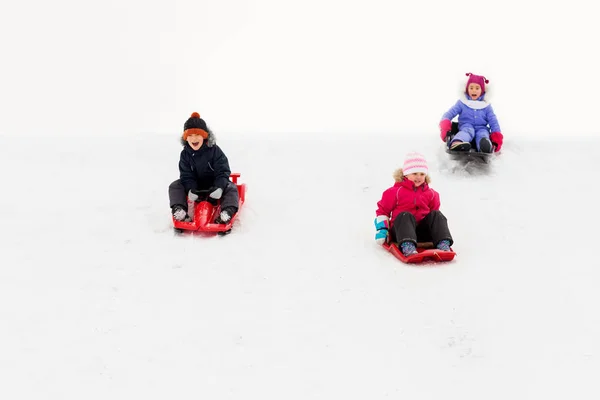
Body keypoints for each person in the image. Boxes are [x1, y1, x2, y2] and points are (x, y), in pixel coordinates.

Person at [374, 152, 454, 257]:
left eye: (422, 174)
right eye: (414, 173)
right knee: (405, 215)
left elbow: (433, 218)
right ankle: (408, 246)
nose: (419, 177)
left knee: (436, 214)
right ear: (406, 174)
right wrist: (382, 230)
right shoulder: (394, 192)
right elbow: (383, 211)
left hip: (422, 233)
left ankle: (443, 243)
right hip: (400, 232)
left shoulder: (432, 194)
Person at [168, 112, 239, 224]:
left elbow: (223, 171)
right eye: (190, 136)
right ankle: (179, 210)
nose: (194, 139)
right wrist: (191, 189)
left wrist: (219, 187)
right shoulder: (185, 154)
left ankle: (227, 211)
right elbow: (186, 175)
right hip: (196, 188)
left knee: (231, 187)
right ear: (186, 138)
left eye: (197, 135)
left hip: (214, 186)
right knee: (175, 185)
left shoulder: (215, 151)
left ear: (204, 136)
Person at [439, 72, 504, 153]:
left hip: (481, 128)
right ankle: (457, 143)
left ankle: (484, 146)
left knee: (483, 134)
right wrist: (445, 125)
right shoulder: (462, 103)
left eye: (477, 88)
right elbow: (449, 114)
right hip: (466, 126)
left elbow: (493, 122)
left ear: (482, 90)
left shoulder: (486, 106)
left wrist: (496, 137)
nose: (474, 90)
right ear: (467, 89)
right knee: (467, 131)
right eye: (471, 88)